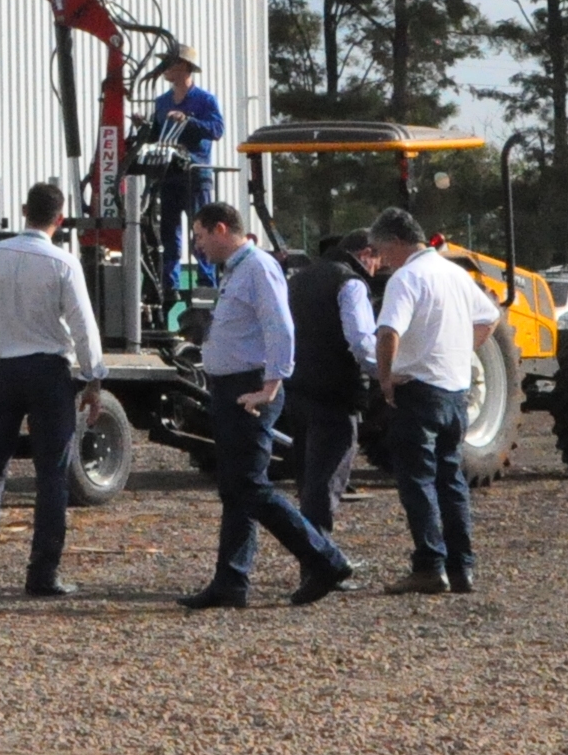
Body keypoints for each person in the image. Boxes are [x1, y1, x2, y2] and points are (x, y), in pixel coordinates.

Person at [180, 203, 350, 609]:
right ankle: (231, 581)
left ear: (221, 229)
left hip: (250, 388)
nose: (198, 247)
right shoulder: (238, 270)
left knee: (250, 486)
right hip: (232, 387)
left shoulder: (257, 267)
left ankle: (326, 560)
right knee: (235, 487)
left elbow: (280, 325)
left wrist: (271, 385)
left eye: (201, 236)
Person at [0, 182, 103, 599]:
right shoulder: (63, 263)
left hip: (2, 368)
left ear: (23, 210)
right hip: (49, 371)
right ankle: (42, 573)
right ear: (60, 218)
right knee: (52, 475)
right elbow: (83, 327)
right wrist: (94, 377)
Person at [367, 208, 498, 595]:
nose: (380, 259)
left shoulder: (406, 278)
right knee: (450, 478)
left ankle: (429, 564)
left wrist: (385, 378)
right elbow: (489, 317)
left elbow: (388, 330)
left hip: (419, 389)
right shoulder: (454, 273)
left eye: (381, 250)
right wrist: (460, 351)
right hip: (455, 390)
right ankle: (462, 567)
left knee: (417, 480)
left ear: (396, 242)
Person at [283, 230, 379, 536]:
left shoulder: (297, 280)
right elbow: (361, 341)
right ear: (365, 253)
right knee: (328, 480)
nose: (379, 268)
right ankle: (320, 562)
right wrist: (384, 376)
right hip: (336, 392)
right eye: (378, 259)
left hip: (298, 389)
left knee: (308, 478)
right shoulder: (349, 282)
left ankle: (311, 558)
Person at [147, 46, 223, 268]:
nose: (164, 69)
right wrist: (143, 127)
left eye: (168, 64)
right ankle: (170, 287)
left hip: (196, 175)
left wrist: (188, 121)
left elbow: (217, 129)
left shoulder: (205, 100)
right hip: (169, 175)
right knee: (168, 232)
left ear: (183, 67)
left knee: (202, 231)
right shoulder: (161, 102)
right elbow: (155, 135)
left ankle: (206, 282)